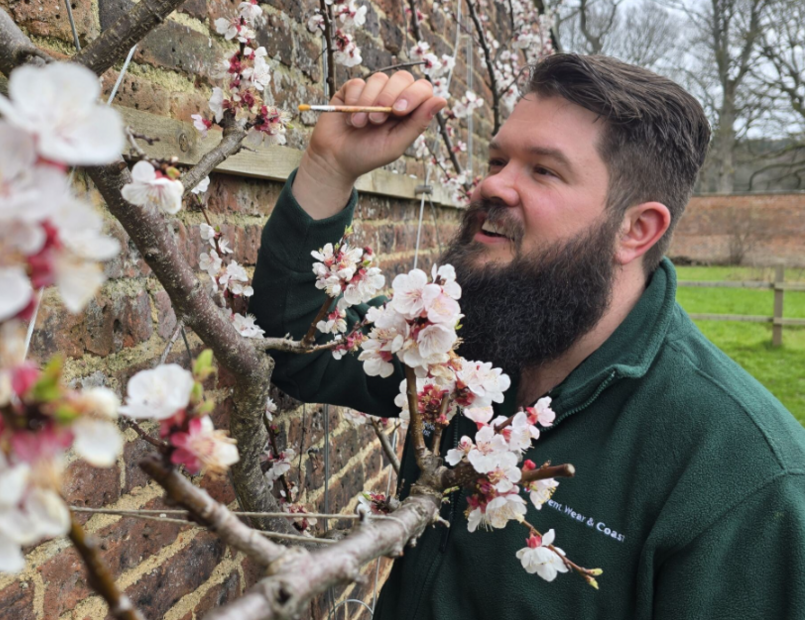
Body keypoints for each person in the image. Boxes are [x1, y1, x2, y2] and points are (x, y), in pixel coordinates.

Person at [248, 53, 805, 619]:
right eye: (497, 159)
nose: (492, 184)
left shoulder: (745, 481)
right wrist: (328, 167)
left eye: (543, 170)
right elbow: (299, 349)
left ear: (636, 229)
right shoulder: (461, 344)